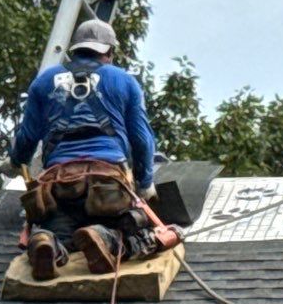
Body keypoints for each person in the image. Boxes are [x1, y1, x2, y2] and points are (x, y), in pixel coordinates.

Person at [9, 18, 169, 280]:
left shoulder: (44, 81)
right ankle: (102, 236)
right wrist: (145, 182)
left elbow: (26, 138)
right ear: (109, 52)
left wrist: (16, 162)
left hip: (59, 182)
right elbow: (142, 139)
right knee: (134, 233)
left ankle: (46, 242)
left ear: (75, 49)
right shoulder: (124, 81)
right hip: (109, 182)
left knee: (58, 230)